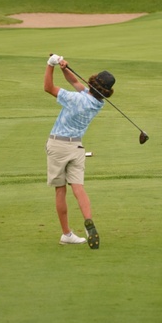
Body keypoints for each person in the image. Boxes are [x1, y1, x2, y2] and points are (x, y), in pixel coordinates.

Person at [43, 53, 115, 249]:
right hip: (77, 148)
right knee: (78, 188)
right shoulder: (98, 103)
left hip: (58, 145)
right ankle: (88, 221)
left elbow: (48, 88)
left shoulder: (75, 99)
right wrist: (64, 68)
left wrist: (50, 65)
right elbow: (75, 82)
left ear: (92, 82)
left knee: (60, 190)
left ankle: (66, 234)